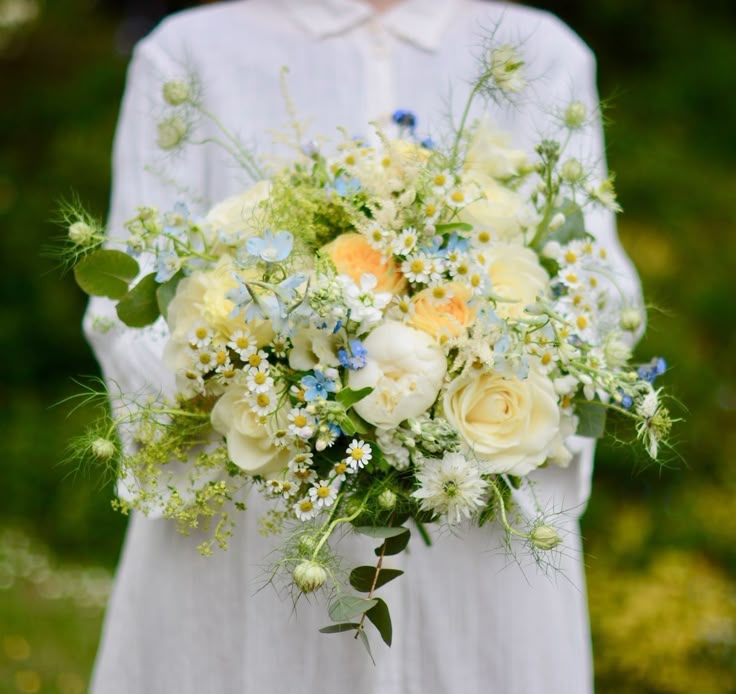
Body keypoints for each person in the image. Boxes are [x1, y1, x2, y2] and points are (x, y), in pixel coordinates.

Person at [86, 1, 642, 692]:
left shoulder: (539, 51)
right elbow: (125, 305)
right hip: (257, 518)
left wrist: (455, 390)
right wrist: (285, 403)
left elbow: (601, 289)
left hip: (475, 524)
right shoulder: (190, 56)